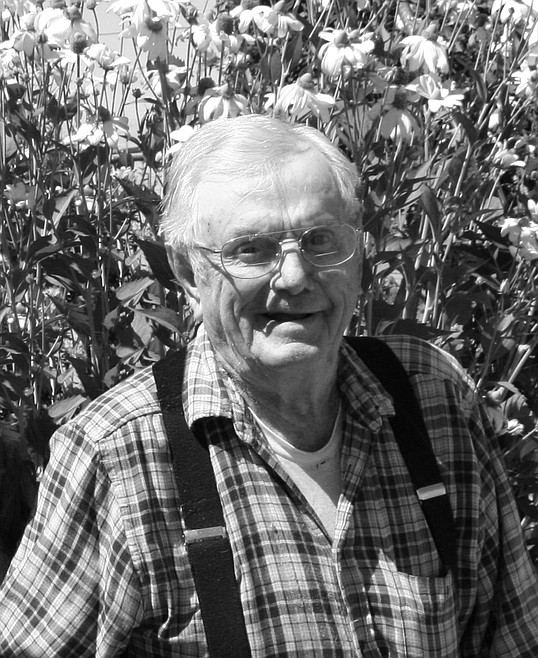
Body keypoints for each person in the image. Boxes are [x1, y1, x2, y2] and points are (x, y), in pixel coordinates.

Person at [0, 115, 537, 657]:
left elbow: (514, 636)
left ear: (358, 252)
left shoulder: (433, 400)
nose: (295, 276)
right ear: (187, 272)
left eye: (320, 240)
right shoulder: (117, 456)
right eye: (252, 249)